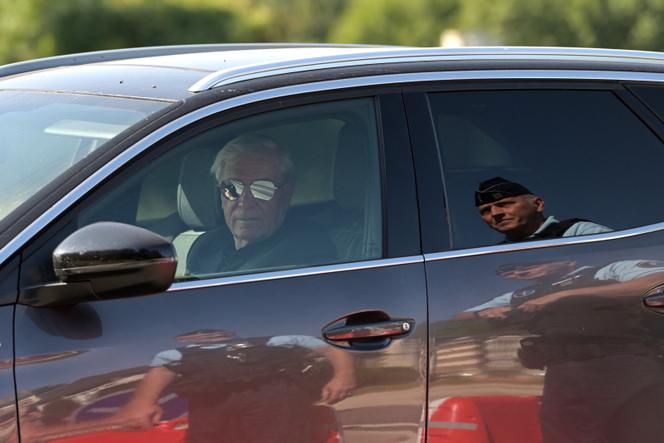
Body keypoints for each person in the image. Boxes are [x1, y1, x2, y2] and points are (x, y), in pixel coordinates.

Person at [453, 259, 664, 443]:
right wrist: (484, 313)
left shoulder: (605, 271)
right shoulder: (520, 294)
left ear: (570, 261)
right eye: (515, 270)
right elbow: (459, 317)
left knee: (641, 431)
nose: (521, 271)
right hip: (560, 372)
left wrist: (562, 296)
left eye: (530, 264)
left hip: (622, 365)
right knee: (564, 434)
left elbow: (656, 282)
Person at [112, 330, 355, 443]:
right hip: (210, 403)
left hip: (272, 398)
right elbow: (162, 370)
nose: (205, 335)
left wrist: (344, 375)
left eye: (211, 331)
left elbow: (329, 348)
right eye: (198, 332)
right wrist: (143, 402)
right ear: (185, 336)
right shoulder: (173, 354)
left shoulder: (270, 339)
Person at [187, 135, 336, 274]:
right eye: (232, 189)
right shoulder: (205, 247)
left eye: (262, 189)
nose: (245, 203)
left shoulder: (307, 249)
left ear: (286, 194)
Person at [475, 176, 611, 243]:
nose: (495, 213)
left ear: (538, 204)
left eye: (505, 204)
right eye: (485, 211)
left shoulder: (579, 234)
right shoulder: (494, 254)